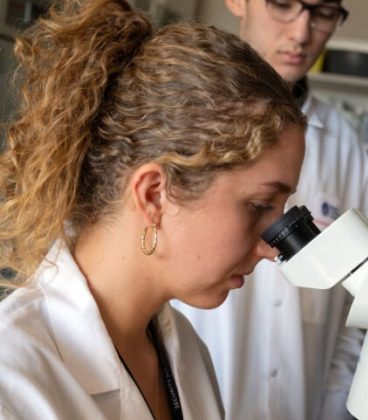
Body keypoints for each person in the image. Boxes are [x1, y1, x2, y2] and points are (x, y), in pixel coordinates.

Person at [0, 0, 306, 418]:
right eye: (258, 205)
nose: (273, 247)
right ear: (153, 195)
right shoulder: (12, 380)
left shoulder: (184, 349)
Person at [173, 1, 368, 419]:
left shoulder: (345, 147)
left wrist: (332, 407)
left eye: (323, 12)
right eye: (283, 4)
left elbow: (359, 306)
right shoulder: (177, 119)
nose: (303, 33)